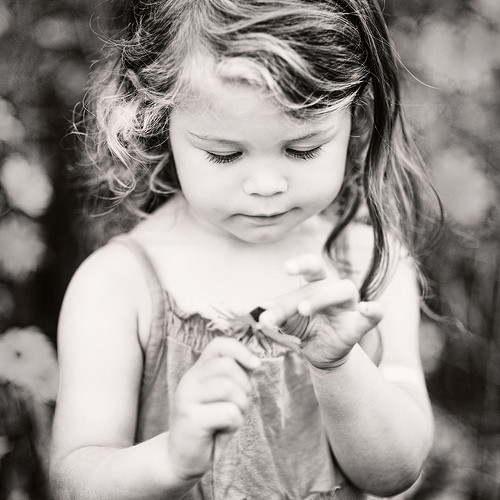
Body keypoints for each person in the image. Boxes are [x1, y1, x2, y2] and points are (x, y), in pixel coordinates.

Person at [49, 0, 443, 498]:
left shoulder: (369, 264)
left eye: (302, 148)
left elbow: (395, 472)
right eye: (224, 153)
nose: (264, 184)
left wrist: (338, 364)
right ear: (154, 116)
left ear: (355, 114)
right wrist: (169, 462)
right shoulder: (116, 286)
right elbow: (73, 480)